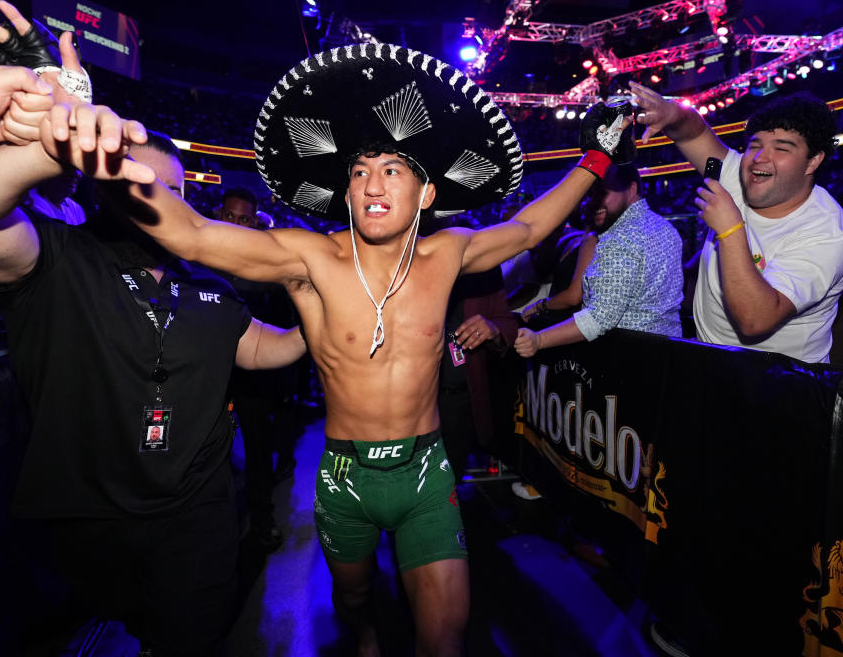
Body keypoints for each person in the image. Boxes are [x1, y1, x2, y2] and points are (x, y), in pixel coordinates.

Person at [123, 43, 635, 656]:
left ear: (424, 195)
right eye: (360, 172)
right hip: (345, 477)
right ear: (346, 194)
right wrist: (101, 159)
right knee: (356, 608)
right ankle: (363, 637)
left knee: (444, 638)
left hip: (425, 470)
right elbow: (196, 234)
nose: (372, 182)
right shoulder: (309, 258)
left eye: (392, 169)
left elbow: (528, 228)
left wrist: (598, 158)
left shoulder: (448, 255)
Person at [0, 0, 306, 656]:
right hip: (87, 528)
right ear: (102, 189)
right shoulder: (56, 262)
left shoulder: (207, 284)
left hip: (197, 520)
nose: (161, 202)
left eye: (175, 191)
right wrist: (44, 148)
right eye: (140, 186)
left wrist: (322, 330)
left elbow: (258, 347)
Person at [631, 82, 843, 363]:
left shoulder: (828, 232)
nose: (759, 158)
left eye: (781, 148)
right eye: (754, 145)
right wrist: (673, 114)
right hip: (710, 360)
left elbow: (755, 319)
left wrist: (730, 230)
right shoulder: (736, 176)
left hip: (782, 384)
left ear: (812, 162)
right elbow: (694, 133)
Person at [514, 163, 683, 357]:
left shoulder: (620, 238)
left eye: (603, 193)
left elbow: (599, 318)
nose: (593, 201)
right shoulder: (666, 229)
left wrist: (539, 340)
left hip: (629, 356)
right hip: (669, 351)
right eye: (592, 194)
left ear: (631, 189)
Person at [214, 185, 301, 551]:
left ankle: (261, 520)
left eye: (244, 218)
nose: (236, 224)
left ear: (254, 223)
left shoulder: (270, 269)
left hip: (254, 377)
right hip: (210, 374)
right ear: (219, 215)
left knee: (257, 450)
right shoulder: (197, 260)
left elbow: (284, 326)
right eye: (230, 216)